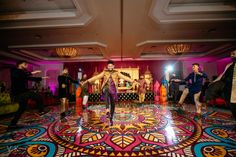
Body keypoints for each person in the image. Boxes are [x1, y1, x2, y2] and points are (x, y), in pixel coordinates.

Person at [81, 60, 138, 126]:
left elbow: (124, 77)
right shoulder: (105, 72)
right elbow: (97, 77)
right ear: (107, 66)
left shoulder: (116, 72)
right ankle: (107, 108)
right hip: (106, 87)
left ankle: (111, 117)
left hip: (113, 90)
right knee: (106, 90)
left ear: (113, 66)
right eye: (109, 66)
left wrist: (133, 81)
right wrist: (87, 80)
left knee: (113, 104)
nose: (110, 67)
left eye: (111, 65)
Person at [9, 61, 48, 130]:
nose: (26, 66)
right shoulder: (15, 71)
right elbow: (23, 75)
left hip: (22, 93)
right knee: (38, 96)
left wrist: (42, 78)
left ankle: (13, 124)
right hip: (20, 93)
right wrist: (33, 72)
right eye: (25, 64)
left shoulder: (22, 73)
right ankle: (41, 111)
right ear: (19, 64)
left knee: (22, 109)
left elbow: (30, 78)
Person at [205, 50, 236, 119]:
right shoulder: (229, 65)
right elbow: (222, 75)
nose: (232, 54)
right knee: (231, 105)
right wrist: (213, 82)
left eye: (234, 53)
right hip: (229, 88)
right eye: (231, 53)